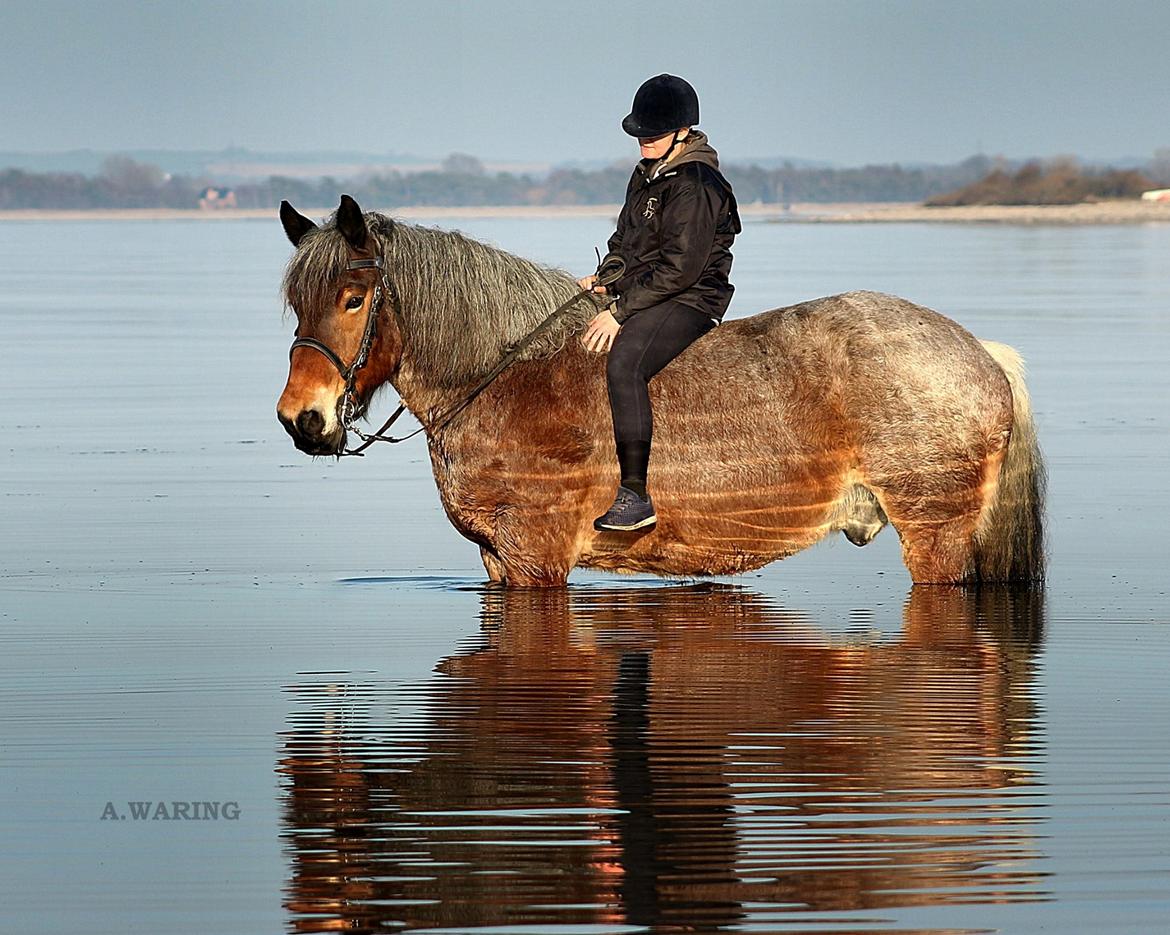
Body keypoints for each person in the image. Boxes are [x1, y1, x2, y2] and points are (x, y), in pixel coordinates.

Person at [578, 73, 742, 532]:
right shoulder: (647, 174)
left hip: (692, 297)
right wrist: (608, 277)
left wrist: (619, 311)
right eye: (640, 133)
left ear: (684, 132)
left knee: (625, 364)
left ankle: (635, 495)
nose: (644, 140)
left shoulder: (696, 183)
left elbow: (681, 268)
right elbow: (626, 240)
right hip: (652, 288)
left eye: (653, 133)